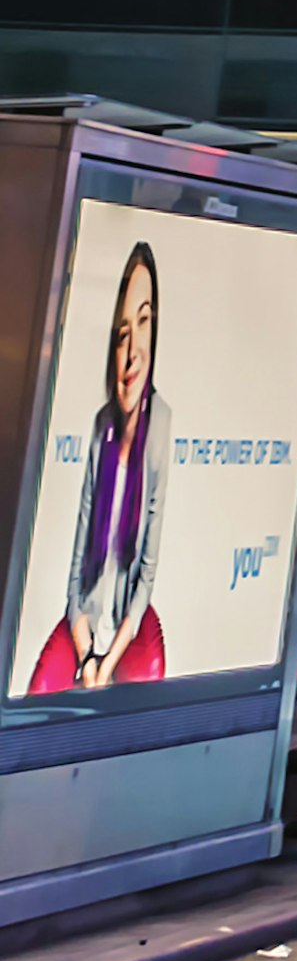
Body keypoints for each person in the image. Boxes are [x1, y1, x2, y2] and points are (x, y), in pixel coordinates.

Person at [27, 241, 171, 685]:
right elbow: (77, 566)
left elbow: (146, 572)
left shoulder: (161, 423)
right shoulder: (100, 427)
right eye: (121, 333)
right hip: (85, 625)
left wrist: (108, 664)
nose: (131, 352)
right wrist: (87, 653)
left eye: (143, 324)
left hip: (128, 628)